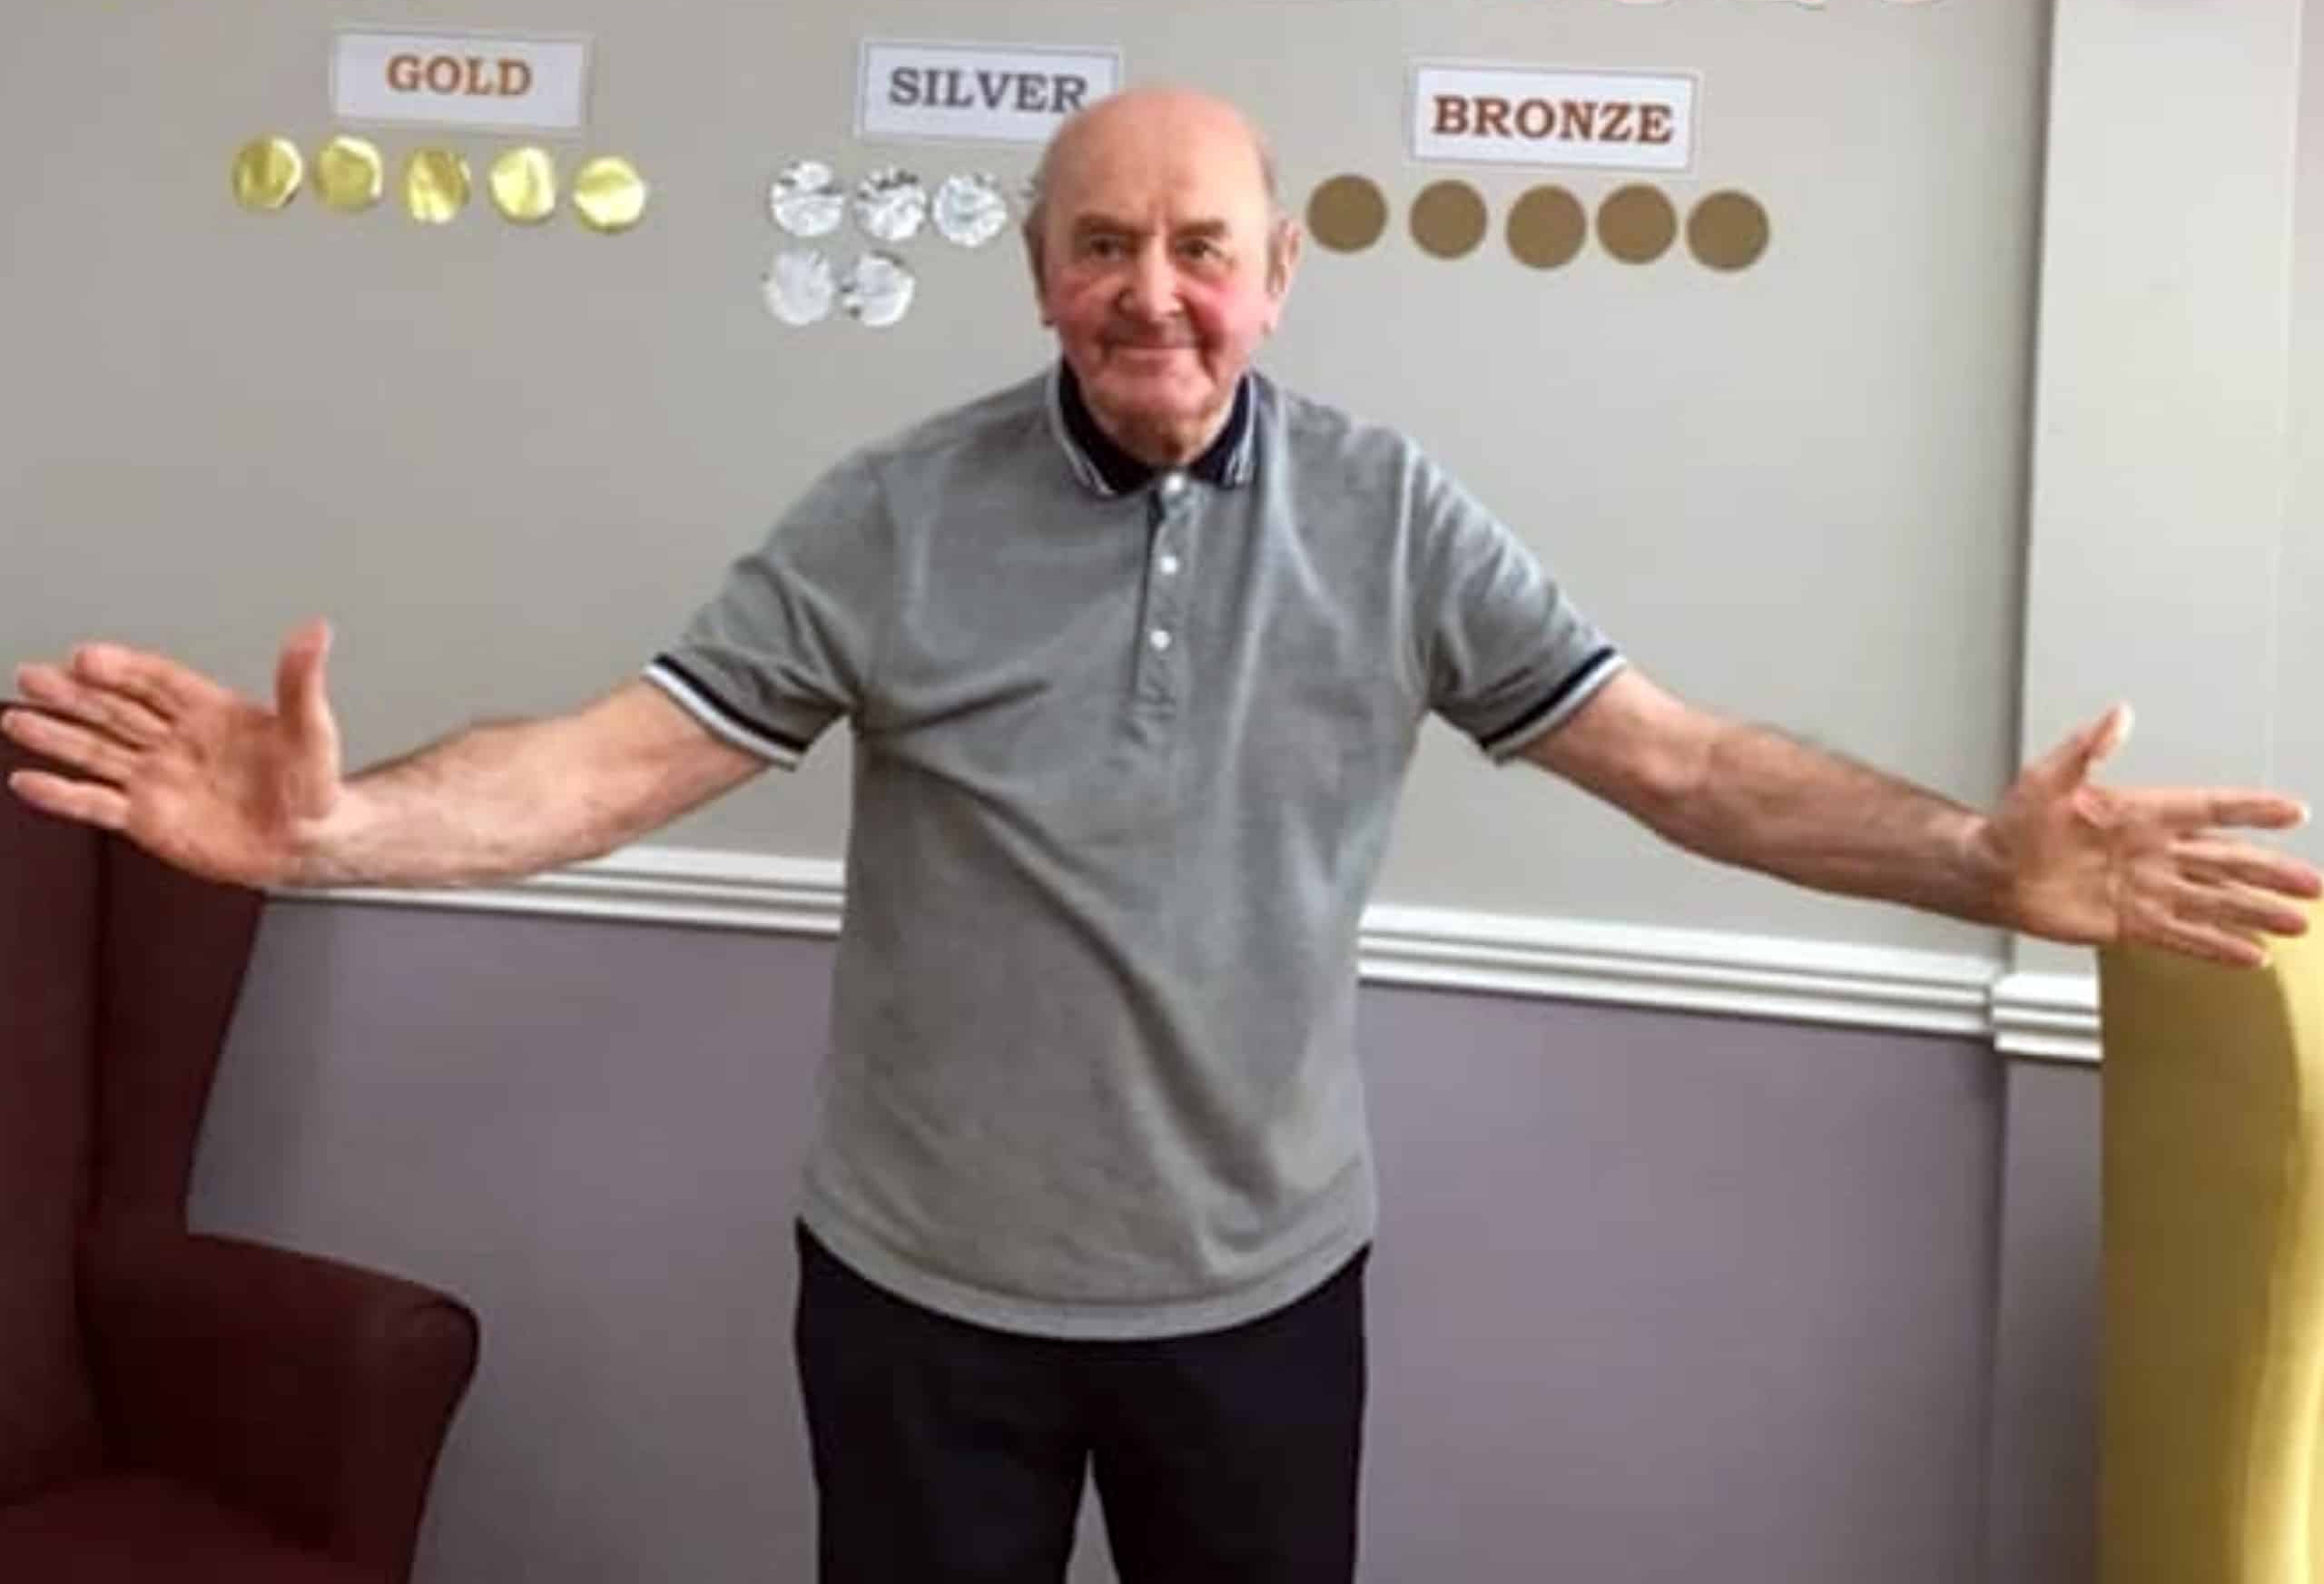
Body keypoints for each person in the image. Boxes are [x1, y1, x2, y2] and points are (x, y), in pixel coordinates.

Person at [5, 83, 2316, 1584]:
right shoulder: (893, 513)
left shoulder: (1393, 513)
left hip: (1256, 1301)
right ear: (1039, 275)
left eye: (1199, 243)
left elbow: (1681, 760)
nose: (1152, 289)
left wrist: (1967, 861)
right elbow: (620, 753)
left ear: (1276, 272)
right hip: (916, 1304)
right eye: (1101, 243)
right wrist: (343, 829)